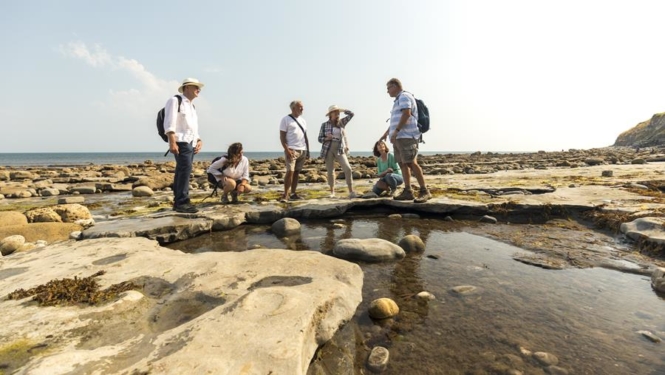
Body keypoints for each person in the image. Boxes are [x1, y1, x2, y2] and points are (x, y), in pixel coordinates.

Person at [380, 78, 431, 203]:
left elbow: (407, 114)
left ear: (395, 86)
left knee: (411, 163)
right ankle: (408, 191)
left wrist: (396, 131)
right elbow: (396, 119)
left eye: (388, 88)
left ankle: (424, 191)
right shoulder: (398, 100)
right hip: (399, 137)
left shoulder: (403, 97)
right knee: (403, 164)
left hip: (407, 136)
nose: (387, 92)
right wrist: (386, 134)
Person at [164, 77, 205, 213]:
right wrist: (172, 142)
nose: (198, 90)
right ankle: (182, 202)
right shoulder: (175, 100)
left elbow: (193, 127)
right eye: (195, 87)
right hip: (181, 141)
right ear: (187, 87)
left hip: (190, 142)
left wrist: (198, 140)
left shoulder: (192, 106)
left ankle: (180, 202)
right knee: (184, 171)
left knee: (183, 171)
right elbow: (169, 122)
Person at [318, 105, 358, 199]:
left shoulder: (341, 123)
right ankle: (332, 192)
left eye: (338, 112)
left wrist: (343, 109)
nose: (337, 113)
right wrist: (326, 138)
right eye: (335, 112)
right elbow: (319, 139)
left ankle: (351, 191)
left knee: (348, 169)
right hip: (328, 148)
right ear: (330, 114)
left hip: (340, 148)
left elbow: (352, 114)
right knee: (330, 171)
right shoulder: (324, 125)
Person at [279, 100, 310, 202]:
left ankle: (293, 193)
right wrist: (287, 149)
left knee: (297, 172)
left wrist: (308, 151)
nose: (302, 109)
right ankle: (285, 194)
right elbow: (282, 137)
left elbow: (305, 136)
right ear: (293, 108)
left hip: (302, 149)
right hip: (292, 149)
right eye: (300, 107)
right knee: (290, 171)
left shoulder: (303, 121)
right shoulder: (286, 119)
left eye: (302, 107)